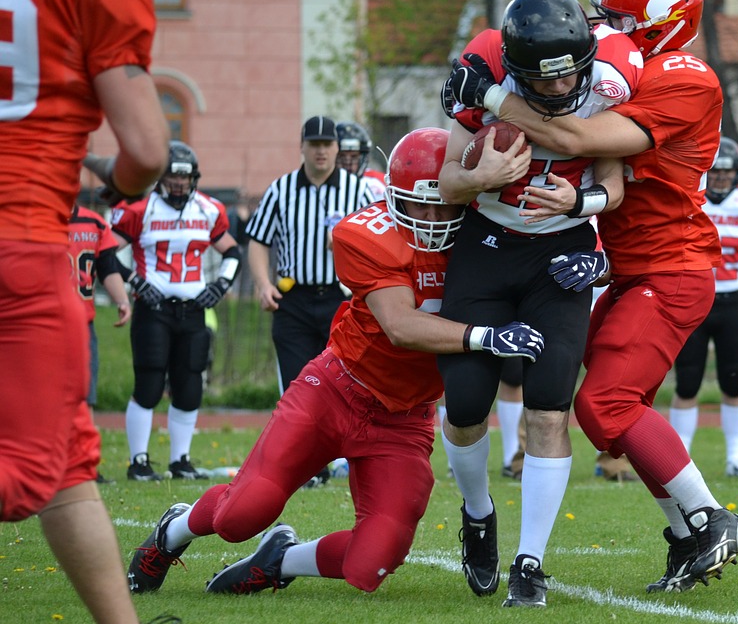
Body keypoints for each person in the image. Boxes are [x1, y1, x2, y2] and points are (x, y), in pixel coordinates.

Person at [445, 0, 738, 594]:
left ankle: (709, 518)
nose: (603, 27)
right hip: (630, 265)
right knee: (605, 413)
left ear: (660, 24)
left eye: (616, 17)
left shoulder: (681, 74)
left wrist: (495, 97)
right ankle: (685, 532)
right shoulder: (629, 65)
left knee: (603, 403)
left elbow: (580, 138)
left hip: (672, 265)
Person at [126, 128, 544, 597]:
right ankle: (173, 531)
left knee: (373, 565)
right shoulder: (365, 234)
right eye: (418, 203)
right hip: (335, 391)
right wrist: (485, 335)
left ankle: (280, 559)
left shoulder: (486, 238)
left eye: (443, 204)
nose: (431, 217)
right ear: (393, 197)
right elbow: (401, 326)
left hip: (404, 419)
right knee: (242, 515)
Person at [0, 0, 199, 624]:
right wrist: (111, 185)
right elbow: (147, 151)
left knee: (71, 456)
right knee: (25, 473)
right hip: (23, 241)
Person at [438, 0, 639, 607]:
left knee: (551, 405)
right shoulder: (485, 68)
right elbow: (448, 181)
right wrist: (480, 179)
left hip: (561, 255)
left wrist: (578, 204)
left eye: (566, 79)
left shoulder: (610, 77)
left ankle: (530, 562)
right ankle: (477, 514)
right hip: (487, 244)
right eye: (540, 82)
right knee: (466, 402)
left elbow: (613, 184)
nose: (556, 91)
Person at [244, 115, 378, 485]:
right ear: (302, 146)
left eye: (327, 144)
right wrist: (261, 283)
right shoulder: (281, 189)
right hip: (294, 300)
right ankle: (309, 466)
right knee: (298, 386)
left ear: (338, 148)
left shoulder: (359, 190)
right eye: (314, 144)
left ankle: (350, 460)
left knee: (348, 384)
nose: (321, 151)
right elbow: (257, 239)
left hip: (343, 300)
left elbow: (380, 240)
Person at [112, 142, 240, 481]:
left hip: (193, 309)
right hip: (154, 309)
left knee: (189, 385)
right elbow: (106, 251)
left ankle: (180, 460)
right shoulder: (141, 209)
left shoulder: (208, 209)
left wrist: (221, 285)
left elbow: (232, 252)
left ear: (194, 178)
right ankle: (138, 461)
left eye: (185, 177)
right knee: (150, 383)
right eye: (173, 176)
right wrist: (135, 282)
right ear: (161, 177)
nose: (180, 183)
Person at [667, 137, 738, 478]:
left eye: (727, 171)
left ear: (737, 172)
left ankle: (735, 458)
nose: (721, 177)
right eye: (716, 171)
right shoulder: (688, 196)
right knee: (687, 382)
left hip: (735, 299)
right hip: (693, 298)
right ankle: (677, 460)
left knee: (734, 380)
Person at [69, 203, 132, 430]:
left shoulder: (94, 223)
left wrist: (122, 300)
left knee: (85, 395)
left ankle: (83, 461)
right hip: (40, 323)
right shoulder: (31, 219)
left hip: (81, 325)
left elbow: (107, 267)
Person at [336, 120, 387, 201]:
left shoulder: (377, 183)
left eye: (354, 156)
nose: (347, 162)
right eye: (341, 156)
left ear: (363, 157)